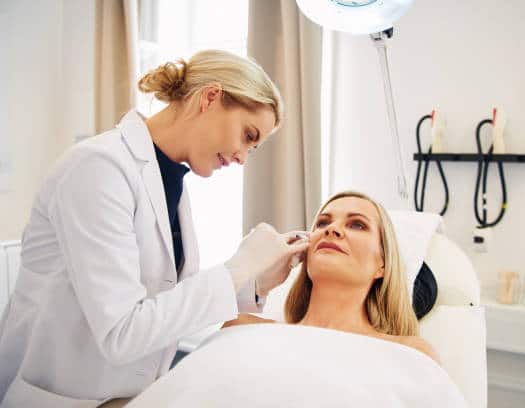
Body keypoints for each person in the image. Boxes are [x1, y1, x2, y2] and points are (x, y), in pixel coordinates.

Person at [0, 50, 309, 407]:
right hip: (57, 397)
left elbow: (161, 301)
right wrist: (238, 265)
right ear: (210, 98)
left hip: (120, 395)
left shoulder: (170, 182)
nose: (242, 157)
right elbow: (122, 333)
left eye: (252, 149)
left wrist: (255, 282)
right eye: (247, 135)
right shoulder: (99, 168)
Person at [224, 191, 439, 364]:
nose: (333, 229)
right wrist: (258, 283)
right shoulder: (241, 328)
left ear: (382, 265)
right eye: (323, 223)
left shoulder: (410, 353)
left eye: (357, 224)